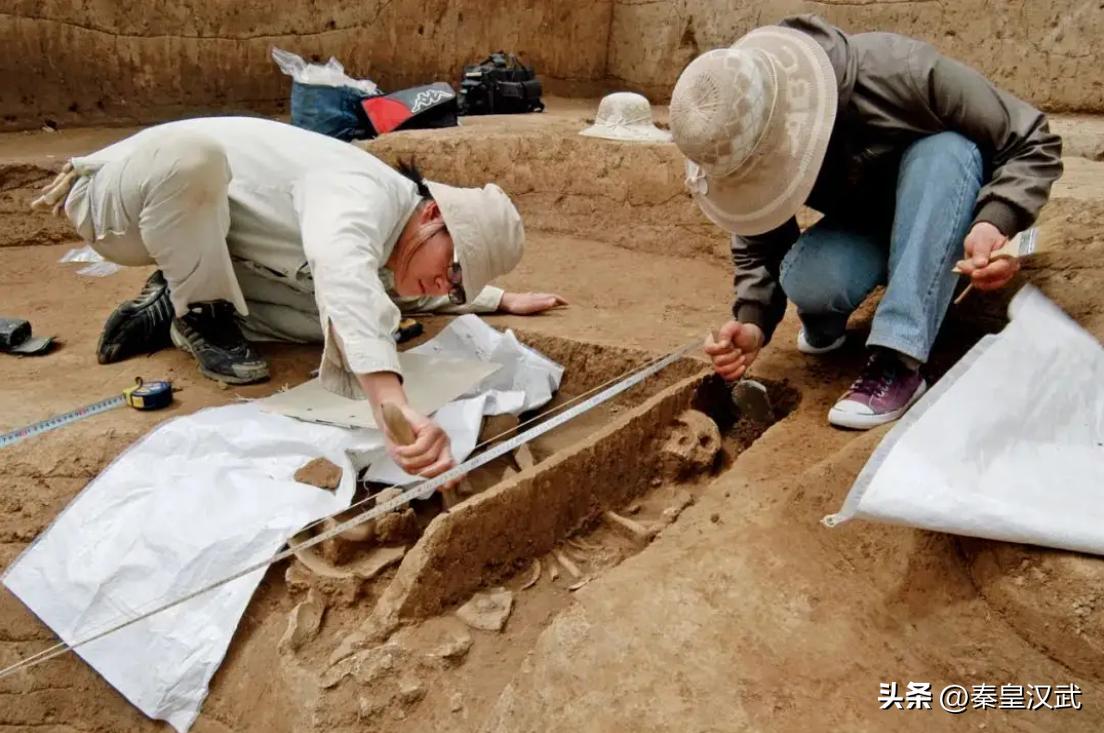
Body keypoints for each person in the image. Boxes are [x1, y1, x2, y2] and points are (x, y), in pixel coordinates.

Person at [32, 116, 565, 477]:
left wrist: (494, 298)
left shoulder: (397, 246)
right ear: (430, 214)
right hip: (121, 198)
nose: (445, 288)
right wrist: (390, 399)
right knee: (192, 158)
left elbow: (383, 300)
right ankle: (202, 310)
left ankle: (174, 304)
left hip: (205, 232)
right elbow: (340, 267)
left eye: (458, 285)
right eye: (452, 269)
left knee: (345, 325)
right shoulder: (364, 191)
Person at [667, 15, 1062, 429]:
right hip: (870, 220)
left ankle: (899, 357)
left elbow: (1032, 139)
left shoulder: (898, 71)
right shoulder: (746, 127)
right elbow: (757, 233)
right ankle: (829, 319)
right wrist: (752, 321)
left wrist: (994, 221)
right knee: (810, 281)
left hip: (944, 205)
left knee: (947, 151)